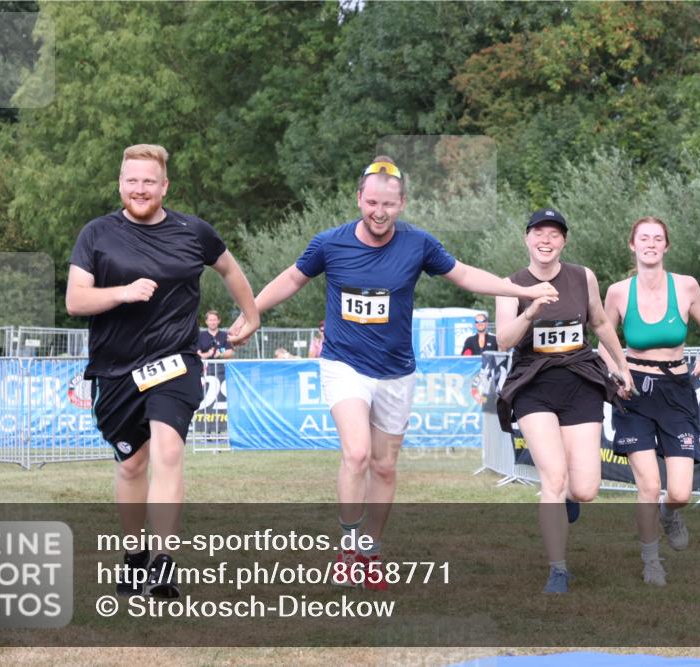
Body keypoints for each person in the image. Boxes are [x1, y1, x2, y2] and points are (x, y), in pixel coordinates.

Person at [231, 156, 557, 590]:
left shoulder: (417, 244)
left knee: (384, 468)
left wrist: (522, 290)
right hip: (344, 364)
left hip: (396, 372)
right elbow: (292, 279)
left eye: (388, 204)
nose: (378, 212)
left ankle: (370, 552)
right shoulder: (330, 243)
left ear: (402, 203)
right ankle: (347, 548)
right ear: (358, 199)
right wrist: (251, 312)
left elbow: (464, 275)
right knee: (357, 454)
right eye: (371, 203)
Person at [66, 144, 260, 597]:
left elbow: (229, 268)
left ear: (164, 186)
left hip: (175, 362)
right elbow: (77, 301)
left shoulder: (194, 232)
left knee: (169, 452)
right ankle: (134, 556)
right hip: (116, 370)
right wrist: (123, 292)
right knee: (132, 466)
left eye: (149, 181)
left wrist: (251, 314)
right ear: (120, 184)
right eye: (132, 181)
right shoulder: (96, 234)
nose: (140, 189)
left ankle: (164, 563)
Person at [495, 208, 633, 594]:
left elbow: (601, 323)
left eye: (554, 234)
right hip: (533, 385)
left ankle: (570, 498)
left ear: (564, 241)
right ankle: (558, 569)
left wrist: (621, 365)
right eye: (539, 232)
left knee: (585, 488)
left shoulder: (582, 276)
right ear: (527, 238)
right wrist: (532, 310)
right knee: (552, 478)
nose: (546, 240)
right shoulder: (511, 285)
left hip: (580, 382)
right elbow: (504, 340)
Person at [600, 216, 700, 587]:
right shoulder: (619, 292)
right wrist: (617, 374)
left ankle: (671, 514)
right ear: (632, 245)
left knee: (680, 492)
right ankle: (651, 560)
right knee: (649, 486)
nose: (651, 244)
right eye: (643, 238)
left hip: (677, 390)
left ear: (666, 246)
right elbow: (604, 343)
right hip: (635, 393)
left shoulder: (686, 287)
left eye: (657, 238)